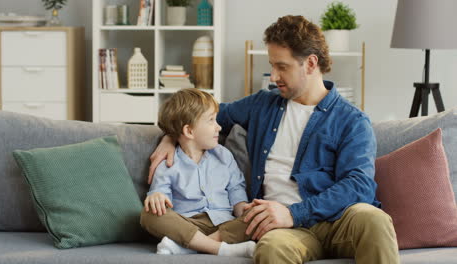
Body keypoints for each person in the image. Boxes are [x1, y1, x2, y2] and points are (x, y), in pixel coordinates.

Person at [148, 15, 400, 263]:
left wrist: (293, 213)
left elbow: (360, 186)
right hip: (284, 232)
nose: (273, 76)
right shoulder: (262, 104)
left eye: (282, 66)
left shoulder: (352, 120)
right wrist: (171, 138)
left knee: (374, 219)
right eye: (272, 65)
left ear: (311, 64)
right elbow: (197, 119)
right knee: (271, 249)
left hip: (339, 220)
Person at [140, 88, 256, 258]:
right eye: (211, 120)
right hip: (188, 224)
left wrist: (243, 209)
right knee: (148, 215)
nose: (219, 127)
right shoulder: (168, 163)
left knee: (258, 218)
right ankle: (220, 249)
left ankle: (187, 248)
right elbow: (161, 196)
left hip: (225, 223)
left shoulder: (224, 156)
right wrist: (157, 195)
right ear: (189, 131)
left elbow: (236, 189)